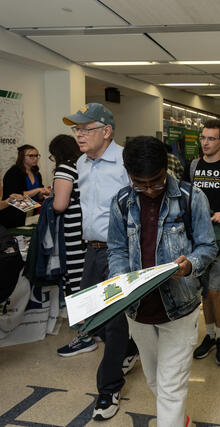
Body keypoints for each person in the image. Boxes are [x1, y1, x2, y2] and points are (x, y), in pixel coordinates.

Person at [108, 136, 216, 427]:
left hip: (179, 307)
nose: (149, 191)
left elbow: (207, 246)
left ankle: (173, 420)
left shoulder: (191, 197)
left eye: (156, 182)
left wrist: (189, 265)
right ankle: (180, 419)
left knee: (171, 386)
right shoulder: (121, 201)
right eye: (140, 184)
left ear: (165, 170)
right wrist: (118, 278)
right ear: (129, 175)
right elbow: (116, 248)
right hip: (138, 309)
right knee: (155, 379)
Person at [59, 103, 138, 420]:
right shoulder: (81, 162)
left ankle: (109, 390)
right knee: (91, 315)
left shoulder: (124, 162)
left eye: (85, 128)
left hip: (118, 250)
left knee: (114, 319)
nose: (79, 134)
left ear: (106, 131)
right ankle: (130, 349)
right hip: (92, 250)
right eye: (76, 128)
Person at [187, 119, 220, 365]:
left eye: (211, 139)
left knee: (216, 292)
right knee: (204, 292)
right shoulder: (193, 166)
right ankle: (209, 336)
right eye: (203, 138)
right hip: (197, 240)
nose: (205, 143)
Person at [48, 135, 85, 295]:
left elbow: (59, 205)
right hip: (86, 228)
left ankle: (80, 317)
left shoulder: (65, 169)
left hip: (72, 230)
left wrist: (50, 202)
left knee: (75, 275)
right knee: (85, 272)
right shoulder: (84, 165)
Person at [1, 144, 50, 227]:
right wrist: (38, 190)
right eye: (31, 156)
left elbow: (39, 197)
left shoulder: (37, 173)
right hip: (12, 216)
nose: (35, 158)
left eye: (37, 155)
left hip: (29, 214)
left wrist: (42, 193)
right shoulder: (13, 173)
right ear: (22, 157)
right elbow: (16, 197)